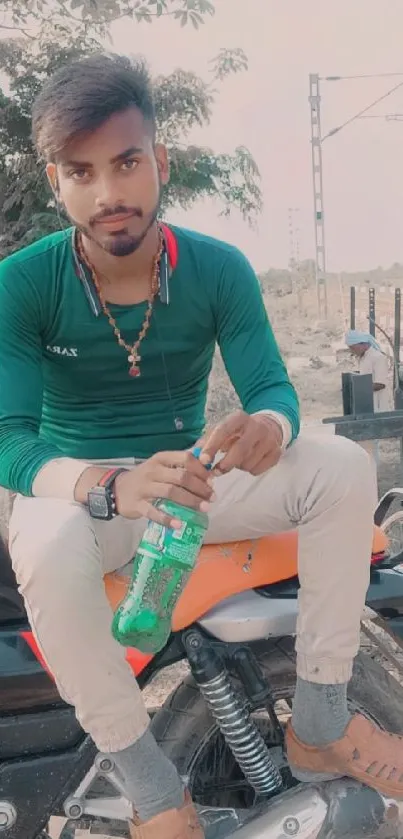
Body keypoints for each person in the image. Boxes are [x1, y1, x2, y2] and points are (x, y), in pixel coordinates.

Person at [0, 53, 402, 839]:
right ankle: (152, 788)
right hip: (86, 501)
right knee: (43, 538)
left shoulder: (218, 269)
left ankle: (321, 716)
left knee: (343, 465)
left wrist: (267, 429)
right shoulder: (22, 284)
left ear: (160, 162)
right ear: (56, 183)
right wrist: (107, 485)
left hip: (195, 486)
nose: (109, 193)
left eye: (126, 162)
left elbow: (274, 392)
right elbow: (9, 439)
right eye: (81, 172)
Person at [345, 329, 390, 412]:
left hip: (378, 406)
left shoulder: (378, 357)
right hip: (367, 404)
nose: (352, 351)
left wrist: (357, 388)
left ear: (362, 344)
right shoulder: (363, 357)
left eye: (353, 348)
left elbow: (380, 384)